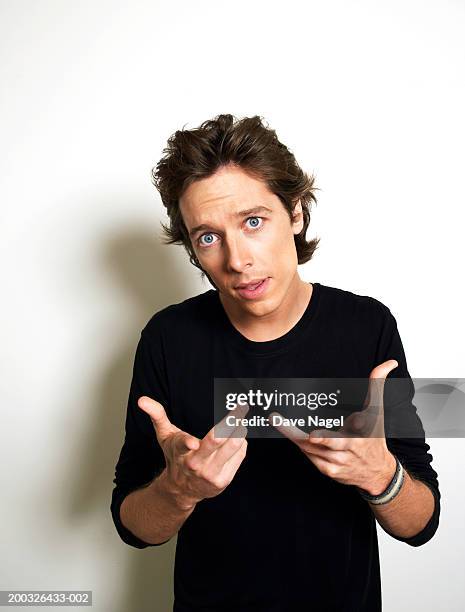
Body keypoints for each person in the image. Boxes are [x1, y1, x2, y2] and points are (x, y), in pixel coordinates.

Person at [110, 114, 440, 611]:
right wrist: (178, 490)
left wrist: (380, 475)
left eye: (253, 222)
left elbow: (421, 525)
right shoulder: (167, 338)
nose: (237, 259)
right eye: (207, 237)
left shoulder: (367, 326)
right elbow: (132, 525)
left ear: (297, 214)